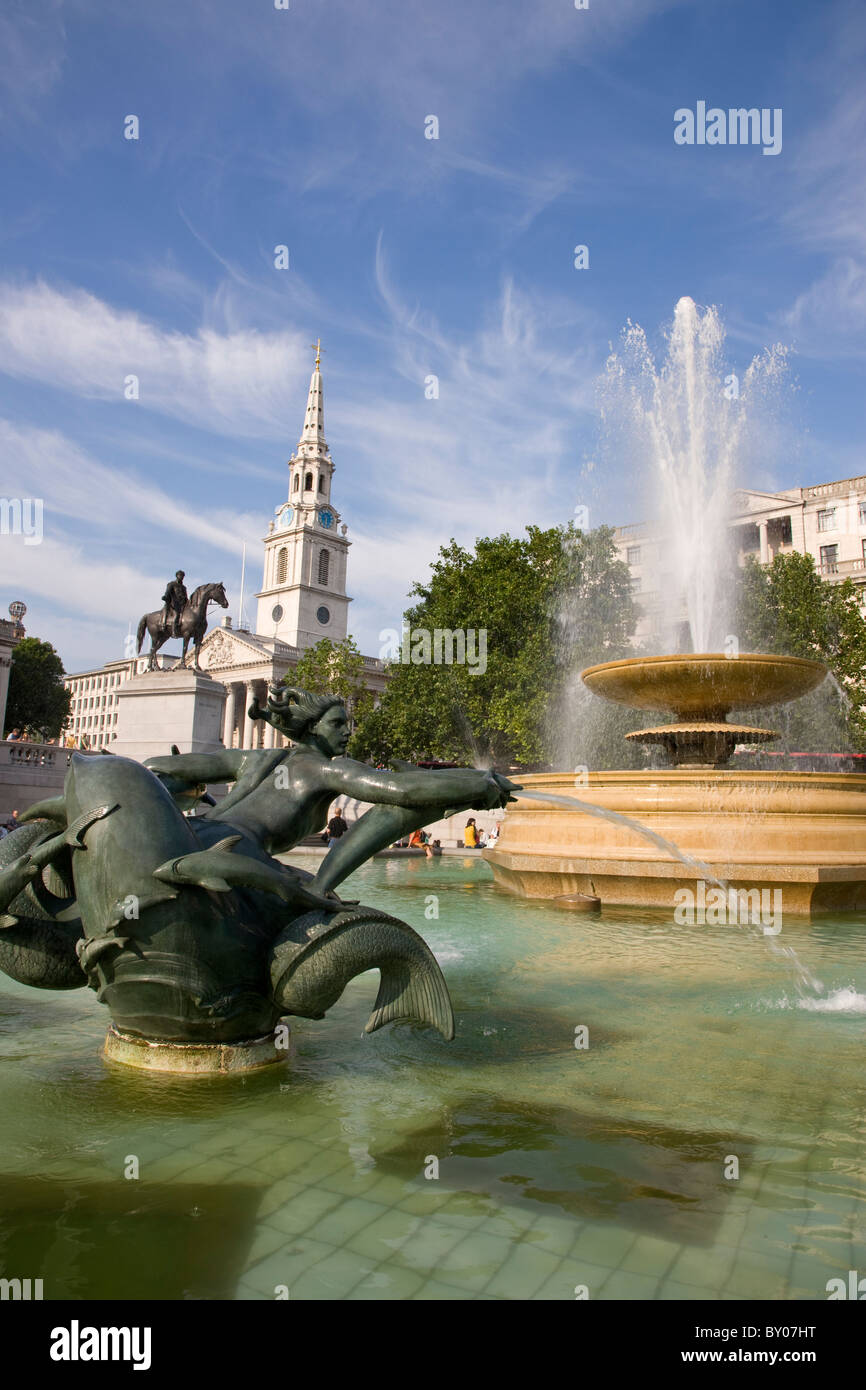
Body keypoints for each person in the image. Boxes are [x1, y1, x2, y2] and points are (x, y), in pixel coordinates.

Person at [160, 571, 188, 638]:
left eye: (182, 576)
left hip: (182, 604)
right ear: (177, 576)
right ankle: (173, 631)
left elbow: (186, 597)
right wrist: (166, 597)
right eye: (180, 575)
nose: (181, 577)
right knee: (177, 615)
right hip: (173, 604)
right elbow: (167, 592)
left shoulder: (184, 587)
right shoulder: (172, 584)